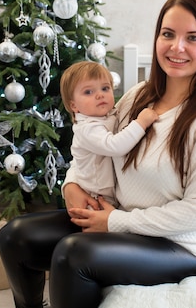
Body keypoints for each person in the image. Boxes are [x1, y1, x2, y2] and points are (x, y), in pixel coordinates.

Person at [0, 0, 196, 308]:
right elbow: (95, 145)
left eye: (192, 38)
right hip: (121, 222)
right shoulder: (139, 96)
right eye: (168, 34)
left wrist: (114, 223)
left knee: (74, 255)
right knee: (15, 236)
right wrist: (71, 184)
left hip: (181, 244)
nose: (176, 47)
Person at [59, 61, 159, 206]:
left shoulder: (106, 116)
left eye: (105, 88)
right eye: (88, 92)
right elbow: (114, 146)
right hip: (93, 197)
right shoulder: (87, 128)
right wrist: (141, 123)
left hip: (106, 195)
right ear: (74, 105)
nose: (100, 95)